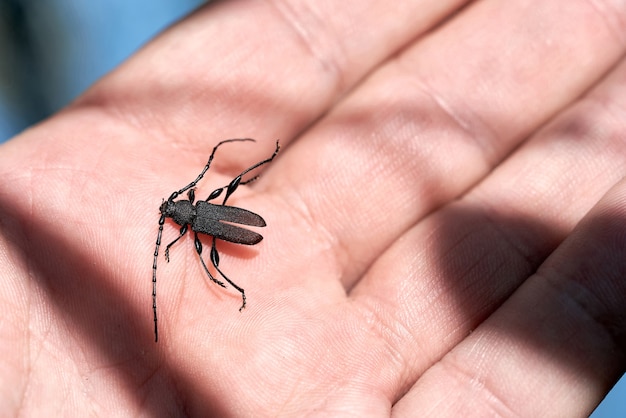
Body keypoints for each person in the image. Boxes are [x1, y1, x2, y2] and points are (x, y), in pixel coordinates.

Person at [0, 1, 624, 415]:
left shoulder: (191, 218)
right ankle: (250, 213)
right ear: (182, 213)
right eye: (175, 212)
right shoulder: (194, 216)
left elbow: (212, 189)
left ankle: (253, 194)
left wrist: (226, 186)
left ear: (181, 211)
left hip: (246, 229)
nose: (175, 211)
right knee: (227, 213)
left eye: (174, 211)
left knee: (230, 200)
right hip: (243, 231)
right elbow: (210, 210)